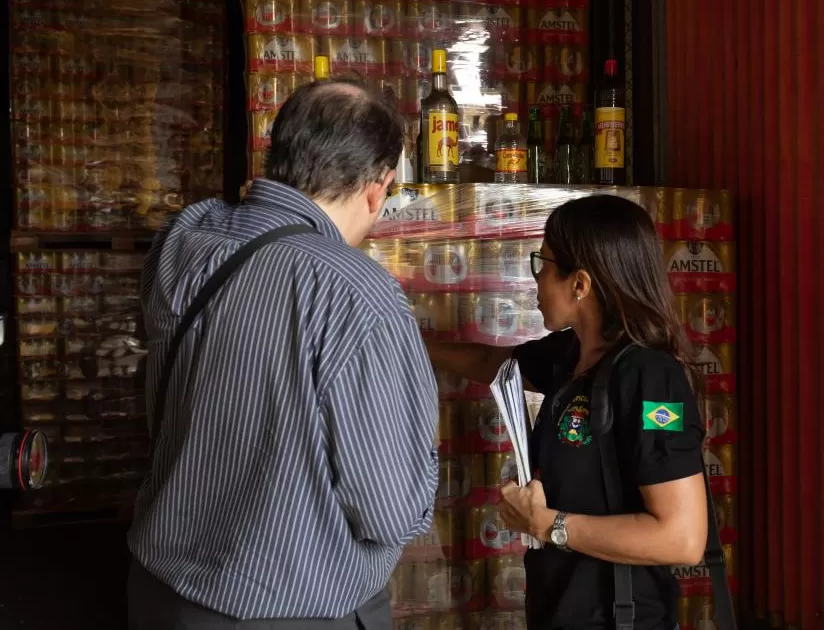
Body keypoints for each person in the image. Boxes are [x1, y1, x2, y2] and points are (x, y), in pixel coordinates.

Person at [128, 77, 439, 629]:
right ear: (379, 187)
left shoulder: (182, 242)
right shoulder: (356, 293)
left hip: (158, 591)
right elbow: (389, 511)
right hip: (287, 609)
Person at [425, 194, 708, 630]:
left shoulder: (649, 377)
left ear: (580, 284)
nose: (536, 280)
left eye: (543, 264)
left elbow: (681, 537)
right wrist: (408, 341)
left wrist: (549, 525)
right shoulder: (570, 355)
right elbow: (490, 363)